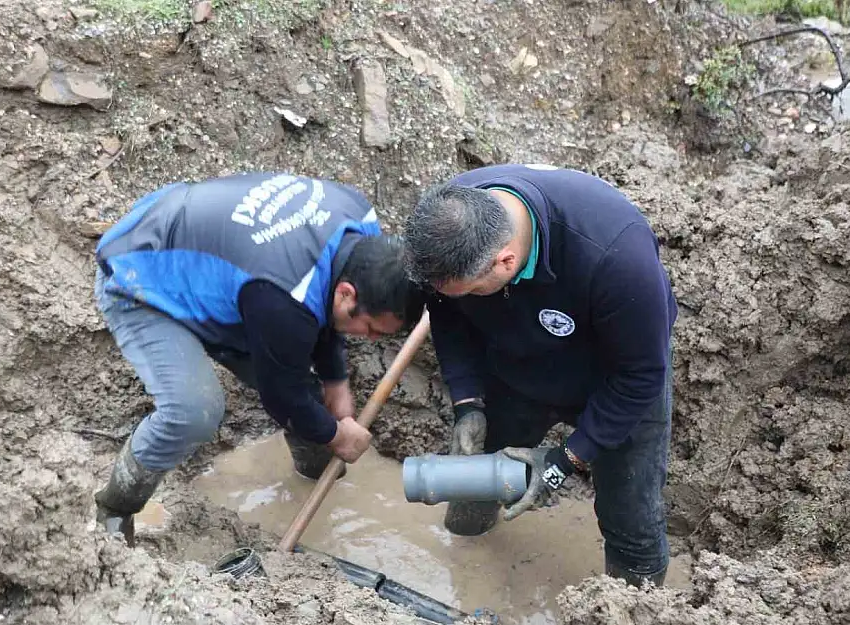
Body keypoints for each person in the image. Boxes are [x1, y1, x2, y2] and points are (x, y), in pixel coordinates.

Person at [92, 172, 425, 546]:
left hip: (214, 256)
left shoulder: (361, 223)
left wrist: (335, 378)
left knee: (308, 393)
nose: (372, 339)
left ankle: (312, 472)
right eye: (371, 329)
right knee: (194, 411)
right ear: (348, 295)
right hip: (142, 275)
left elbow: (320, 292)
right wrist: (334, 434)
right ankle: (115, 510)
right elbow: (281, 393)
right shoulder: (280, 297)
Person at [401, 164, 677, 588]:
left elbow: (640, 376)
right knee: (476, 484)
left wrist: (563, 460)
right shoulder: (450, 219)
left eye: (472, 290)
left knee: (631, 519)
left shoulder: (616, 258)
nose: (461, 298)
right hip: (517, 365)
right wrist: (468, 402)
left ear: (505, 261)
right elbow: (448, 317)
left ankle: (636, 602)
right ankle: (464, 574)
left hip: (614, 379)